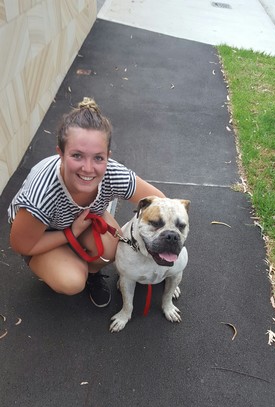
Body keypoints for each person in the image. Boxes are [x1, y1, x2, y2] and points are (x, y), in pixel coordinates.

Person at [8, 97, 165, 307]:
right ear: (61, 154)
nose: (88, 168)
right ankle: (59, 260)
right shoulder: (42, 193)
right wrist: (70, 234)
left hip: (84, 220)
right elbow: (21, 244)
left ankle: (91, 271)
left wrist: (159, 243)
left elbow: (161, 203)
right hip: (39, 234)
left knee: (113, 250)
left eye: (98, 158)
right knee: (72, 281)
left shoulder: (112, 173)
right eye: (77, 156)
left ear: (107, 157)